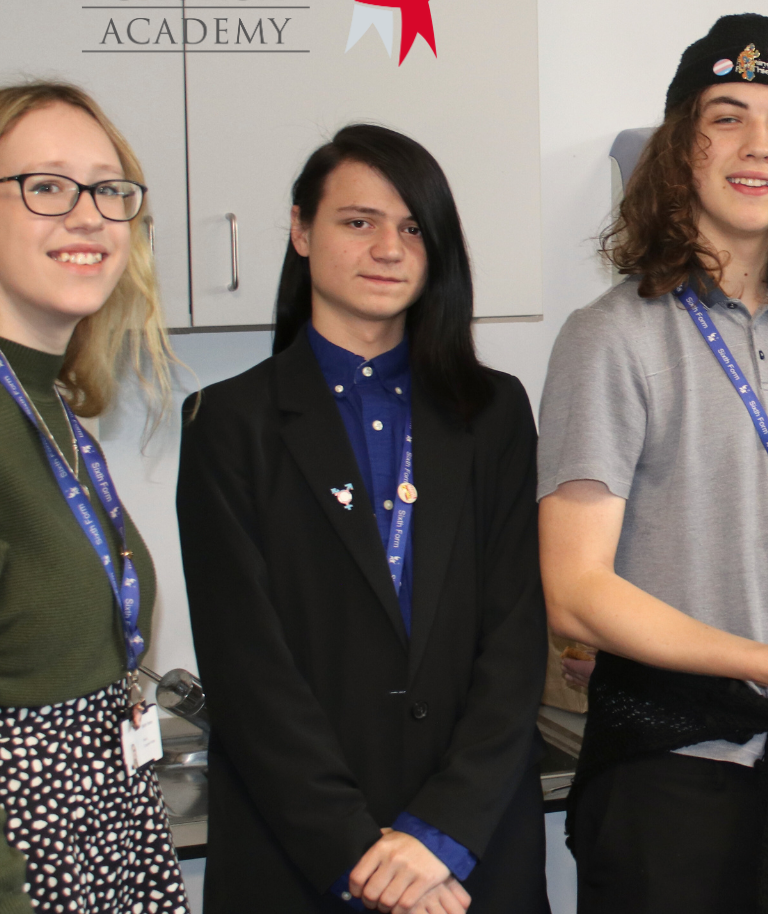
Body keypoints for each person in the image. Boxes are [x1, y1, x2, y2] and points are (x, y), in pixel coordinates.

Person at [538, 13, 768, 914]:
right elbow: (574, 590)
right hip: (668, 785)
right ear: (680, 148)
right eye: (727, 116)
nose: (758, 145)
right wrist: (765, 659)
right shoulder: (610, 339)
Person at [177, 125, 548, 913]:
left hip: (472, 853)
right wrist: (360, 854)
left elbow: (517, 637)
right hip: (300, 856)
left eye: (414, 227)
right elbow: (248, 671)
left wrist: (440, 833)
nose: (389, 247)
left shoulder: (495, 412)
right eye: (359, 221)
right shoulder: (229, 423)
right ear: (301, 231)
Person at [0, 81, 186, 913]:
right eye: (45, 186)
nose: (89, 217)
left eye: (110, 190)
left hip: (105, 830)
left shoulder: (56, 406)